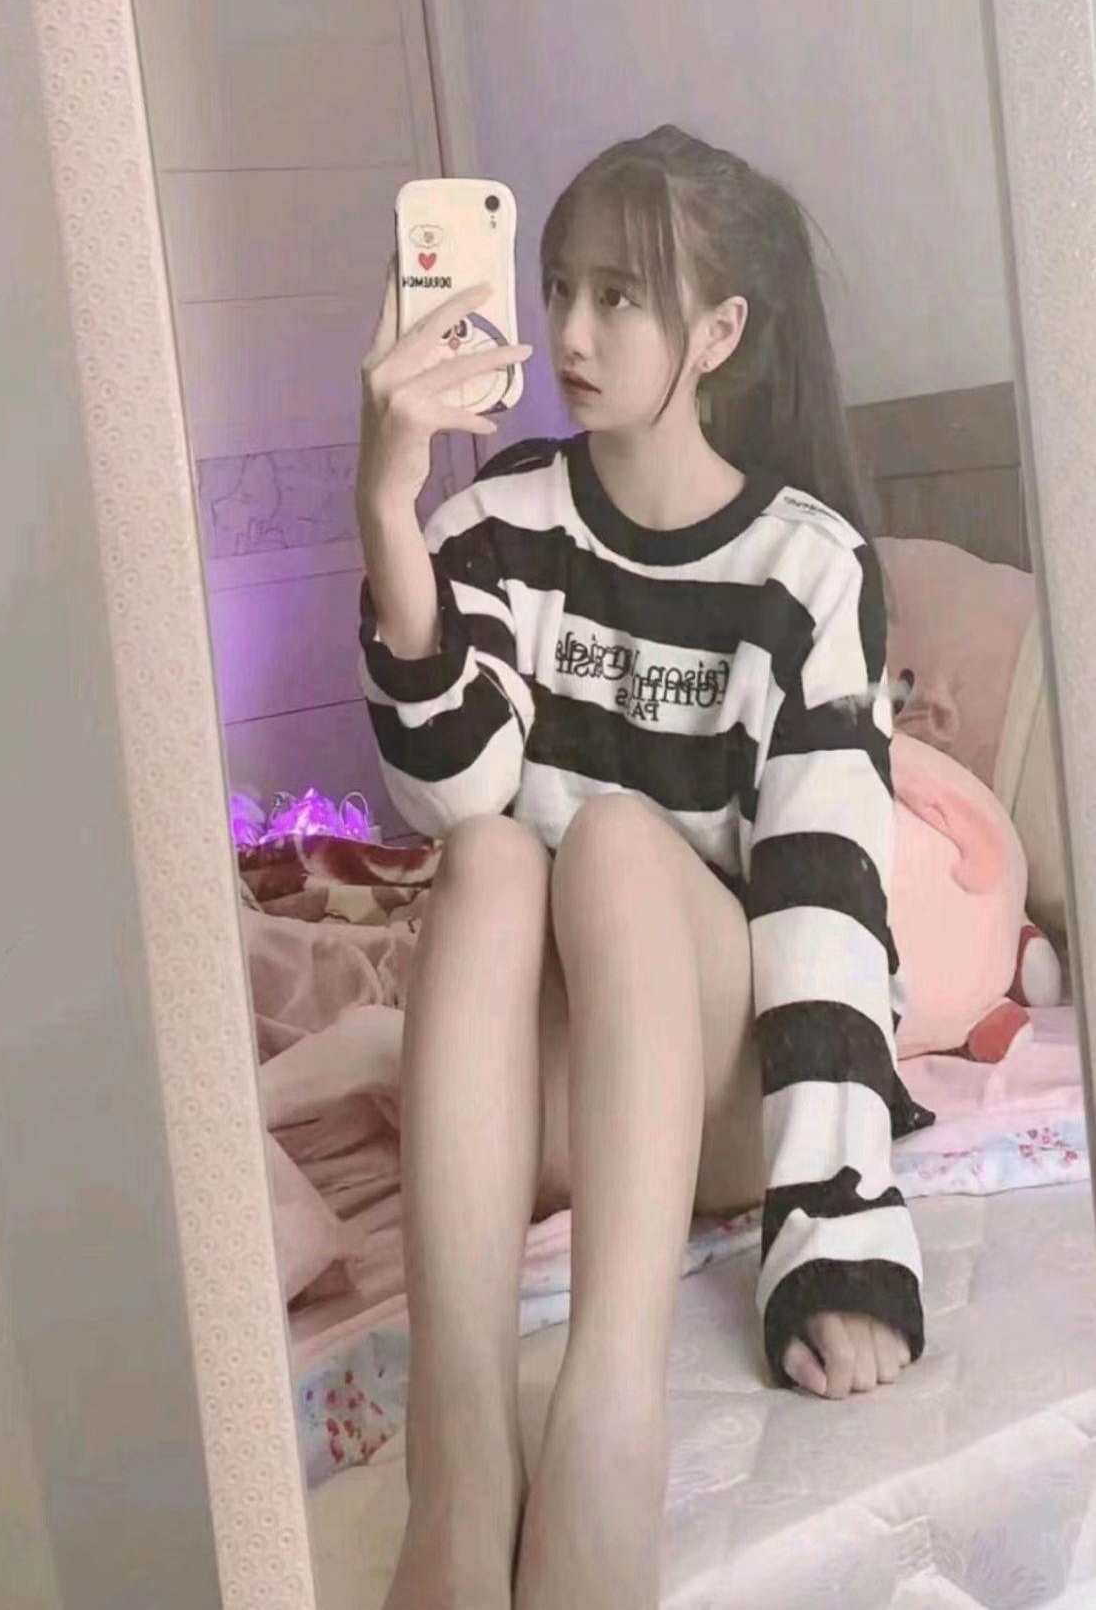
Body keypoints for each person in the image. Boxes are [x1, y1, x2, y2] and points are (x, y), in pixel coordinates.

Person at [354, 124, 933, 1610]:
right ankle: (460, 1452)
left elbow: (824, 903)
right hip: (551, 1097)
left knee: (615, 840)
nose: (568, 332)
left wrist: (839, 1240)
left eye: (619, 297)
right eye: (559, 286)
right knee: (489, 860)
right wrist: (389, 514)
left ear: (719, 333)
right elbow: (452, 789)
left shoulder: (807, 569)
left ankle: (610, 1410)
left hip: (713, 1094)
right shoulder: (497, 523)